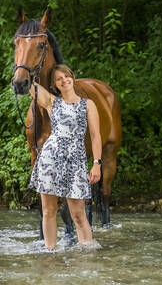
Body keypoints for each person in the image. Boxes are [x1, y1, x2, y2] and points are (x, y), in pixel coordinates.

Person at [29, 64, 102, 249]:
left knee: (78, 214)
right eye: (59, 79)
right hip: (50, 159)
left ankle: (87, 256)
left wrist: (97, 163)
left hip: (76, 161)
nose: (64, 80)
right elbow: (27, 83)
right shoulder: (52, 101)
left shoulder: (88, 104)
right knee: (48, 211)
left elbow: (95, 136)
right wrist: (24, 67)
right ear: (55, 85)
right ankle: (50, 253)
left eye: (67, 76)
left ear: (72, 77)